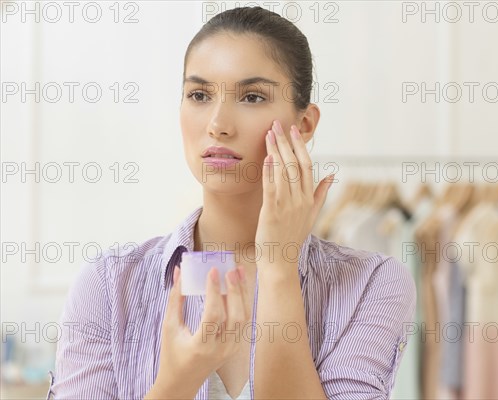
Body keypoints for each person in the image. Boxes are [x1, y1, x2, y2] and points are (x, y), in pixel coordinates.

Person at [46, 6, 416, 400]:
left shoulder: (370, 285)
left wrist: (278, 266)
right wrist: (176, 384)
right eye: (199, 95)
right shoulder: (109, 285)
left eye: (252, 96)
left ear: (304, 125)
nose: (218, 123)